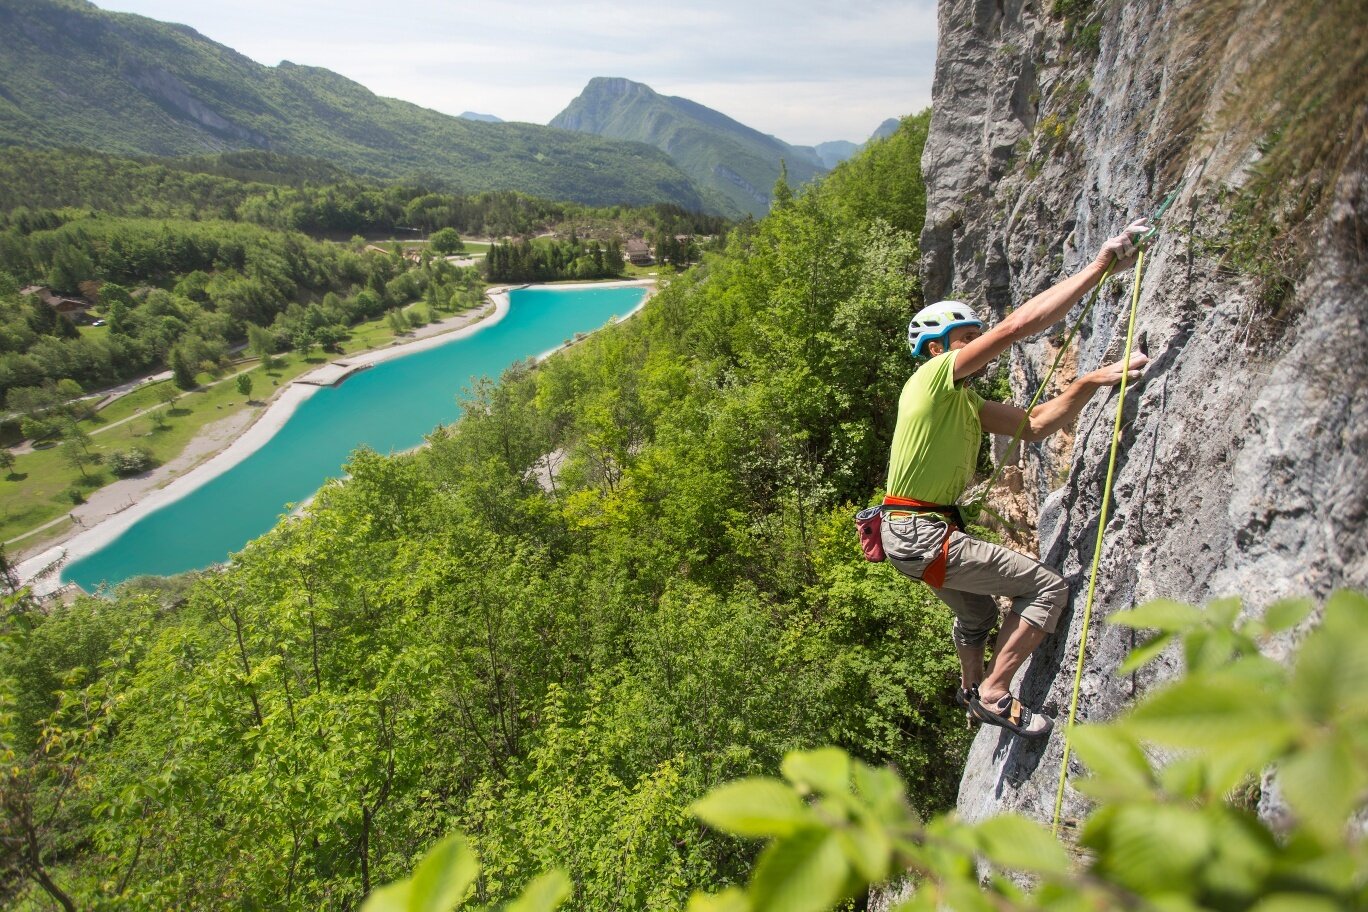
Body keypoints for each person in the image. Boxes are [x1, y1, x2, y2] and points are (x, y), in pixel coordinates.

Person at [880, 219, 1151, 737]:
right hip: (920, 533)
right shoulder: (934, 377)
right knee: (1047, 588)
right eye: (966, 339)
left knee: (978, 617)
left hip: (911, 535)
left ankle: (971, 690)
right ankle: (994, 693)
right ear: (938, 348)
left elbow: (1036, 425)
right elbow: (1015, 328)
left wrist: (1092, 379)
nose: (977, 344)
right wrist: (1099, 266)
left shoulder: (965, 402)